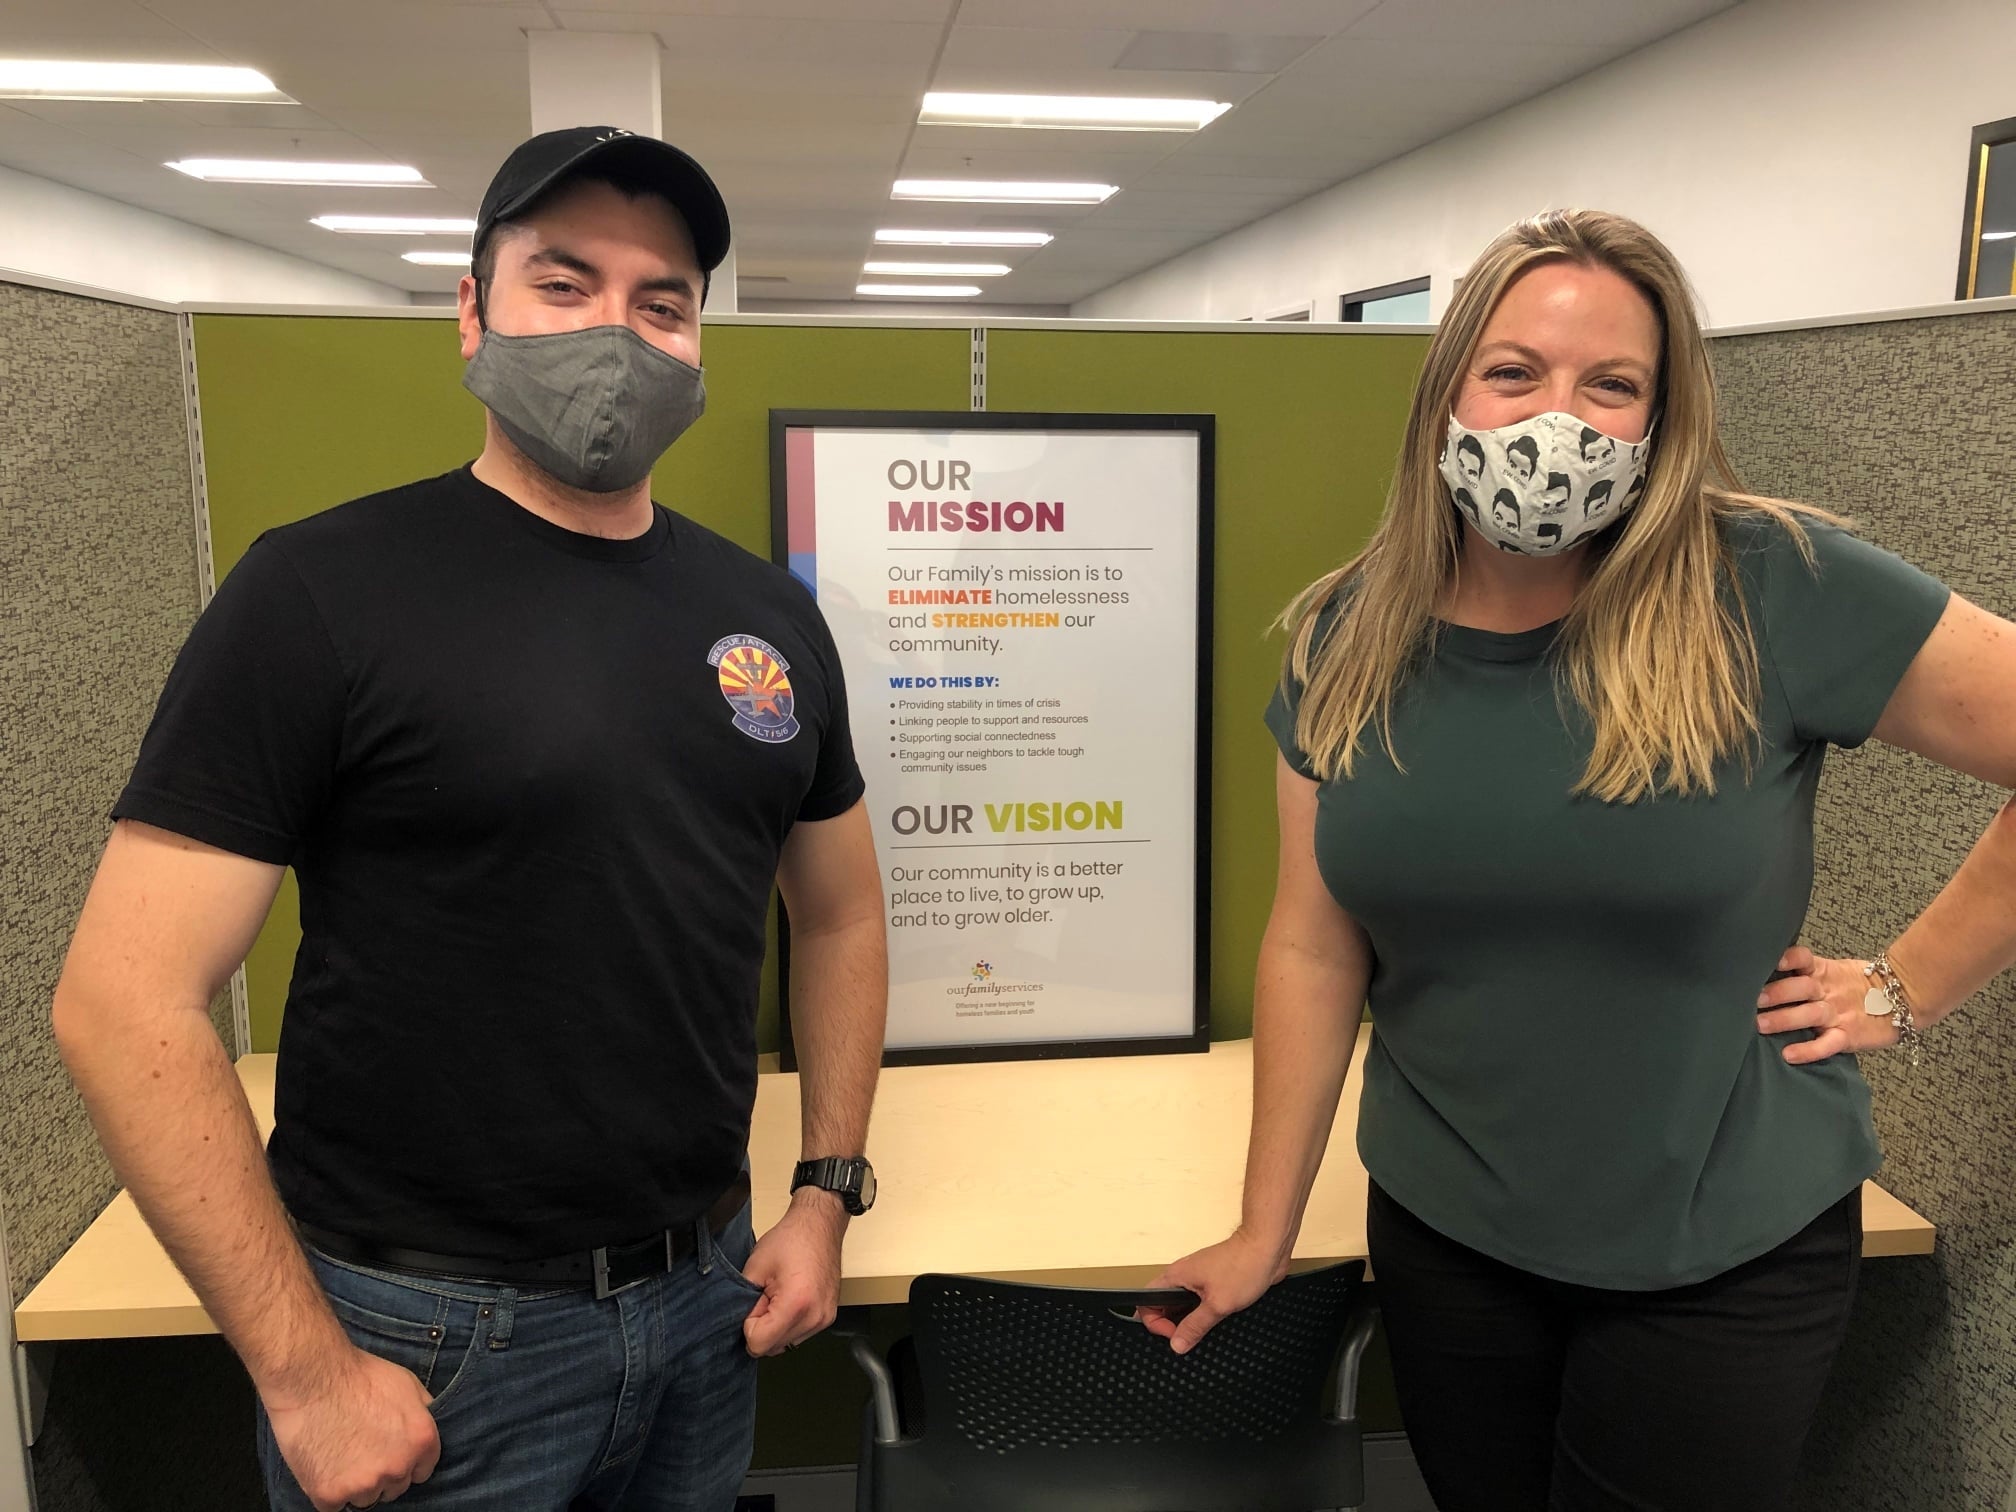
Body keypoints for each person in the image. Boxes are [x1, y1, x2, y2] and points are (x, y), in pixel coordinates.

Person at [53, 127, 887, 1512]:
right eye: (564, 285)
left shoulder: (768, 619)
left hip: (705, 1302)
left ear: (696, 345)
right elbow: (122, 1004)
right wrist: (309, 1378)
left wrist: (825, 1190)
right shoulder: (320, 595)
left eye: (660, 302)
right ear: (470, 309)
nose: (614, 331)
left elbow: (844, 910)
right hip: (427, 1342)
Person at [1143, 209, 2016, 1511]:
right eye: (1515, 372)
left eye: (1614, 385)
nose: (1560, 418)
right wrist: (1265, 1229)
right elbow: (1316, 943)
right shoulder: (1350, 630)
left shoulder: (1774, 585)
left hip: (1720, 1244)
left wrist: (1909, 985)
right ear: (1446, 393)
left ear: (1662, 423)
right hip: (1450, 1232)